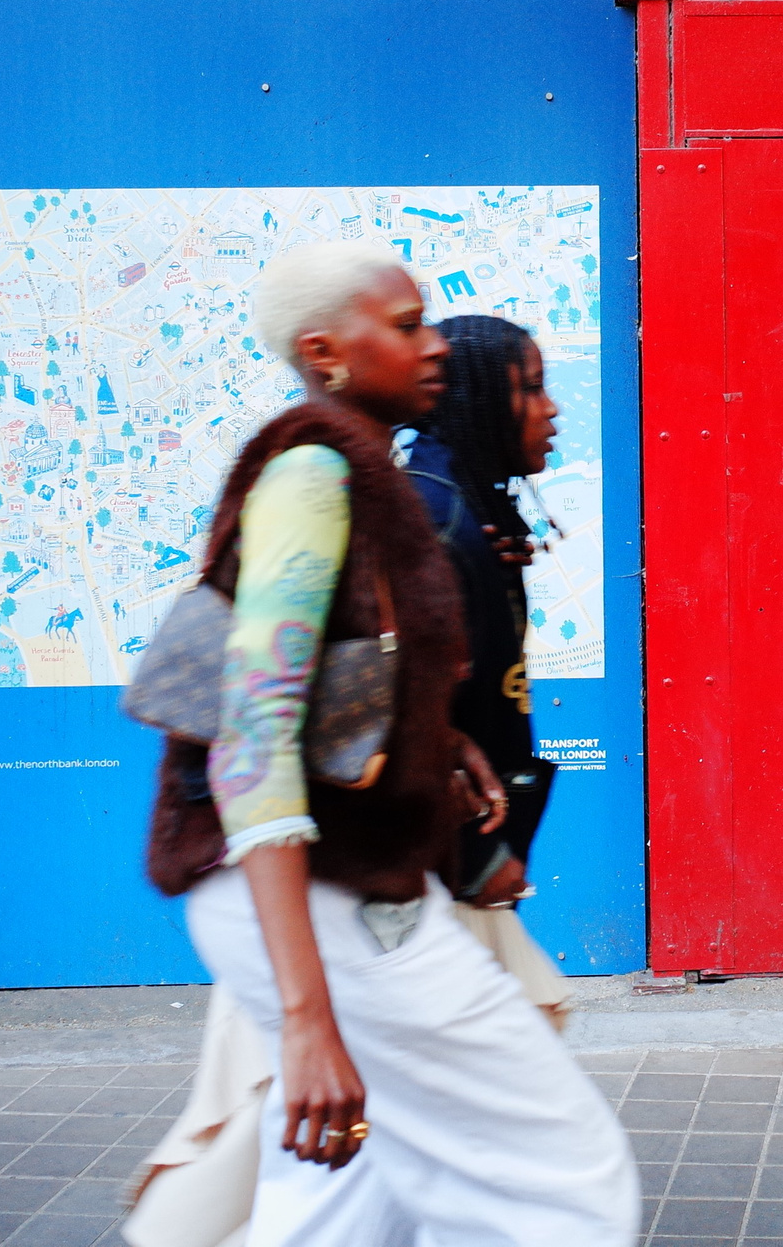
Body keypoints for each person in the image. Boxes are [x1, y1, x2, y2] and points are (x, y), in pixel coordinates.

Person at [142, 243, 637, 1247]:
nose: (437, 346)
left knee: (341, 1201)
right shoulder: (316, 474)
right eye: (406, 326)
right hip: (317, 899)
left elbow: (343, 672)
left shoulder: (363, 481)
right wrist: (305, 1017)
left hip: (325, 889)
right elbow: (252, 737)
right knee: (568, 1185)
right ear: (324, 351)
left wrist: (433, 734)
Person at [407, 316, 569, 1024]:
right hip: (439, 875)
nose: (551, 407)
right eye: (530, 389)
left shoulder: (468, 514)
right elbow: (413, 710)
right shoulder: (440, 524)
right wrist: (477, 855)